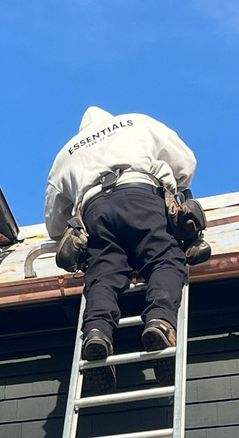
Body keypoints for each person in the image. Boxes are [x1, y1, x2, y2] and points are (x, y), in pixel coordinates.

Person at [45, 106, 197, 392]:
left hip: (94, 211)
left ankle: (97, 332)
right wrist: (176, 186)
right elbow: (185, 162)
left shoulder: (66, 153)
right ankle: (160, 321)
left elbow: (54, 224)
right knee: (164, 257)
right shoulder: (136, 121)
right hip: (141, 194)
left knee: (103, 274)